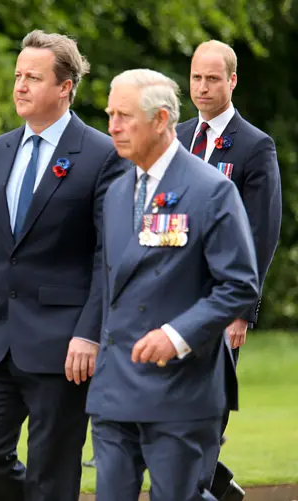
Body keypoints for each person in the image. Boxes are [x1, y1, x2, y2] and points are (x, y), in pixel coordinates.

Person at [0, 30, 128, 501]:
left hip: (64, 344)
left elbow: (107, 256)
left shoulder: (102, 154)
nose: (20, 86)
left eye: (33, 77)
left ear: (66, 87)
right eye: (17, 76)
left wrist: (90, 332)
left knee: (53, 471)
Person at [85, 68, 259, 501]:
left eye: (124, 116)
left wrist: (177, 335)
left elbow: (239, 286)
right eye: (110, 115)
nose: (113, 128)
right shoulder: (117, 193)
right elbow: (110, 282)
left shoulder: (211, 191)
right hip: (114, 390)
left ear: (161, 120)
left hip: (180, 389)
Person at [176, 40, 282, 501]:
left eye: (213, 78)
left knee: (205, 410)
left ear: (232, 81)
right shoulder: (174, 136)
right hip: (168, 300)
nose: (202, 87)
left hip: (221, 304)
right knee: (165, 412)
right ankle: (216, 485)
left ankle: (205, 486)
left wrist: (242, 310)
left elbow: (261, 235)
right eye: (196, 77)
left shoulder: (255, 146)